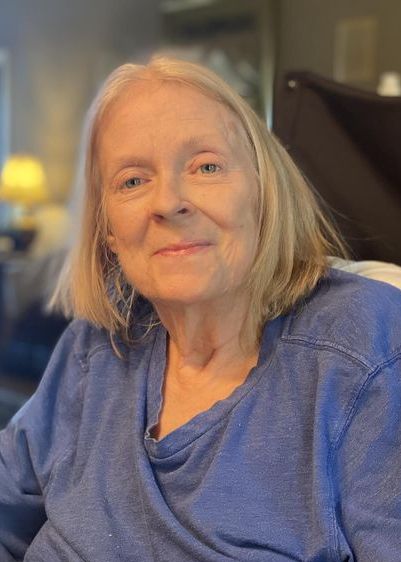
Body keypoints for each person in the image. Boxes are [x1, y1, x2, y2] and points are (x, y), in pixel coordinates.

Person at [1, 56, 401, 562]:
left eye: (206, 166)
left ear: (264, 192)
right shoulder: (94, 346)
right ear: (108, 231)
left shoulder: (363, 347)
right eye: (132, 181)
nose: (168, 202)